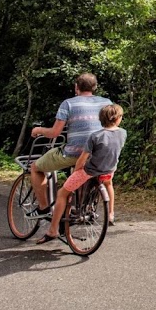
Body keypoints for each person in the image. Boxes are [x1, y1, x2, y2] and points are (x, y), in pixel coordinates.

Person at [37, 104, 126, 244]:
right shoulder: (123, 133)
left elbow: (82, 159)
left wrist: (77, 169)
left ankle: (53, 230)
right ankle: (110, 214)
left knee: (62, 193)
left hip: (90, 171)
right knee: (109, 184)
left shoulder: (95, 136)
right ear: (117, 119)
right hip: (109, 170)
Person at [29, 73, 112, 220]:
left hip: (75, 153)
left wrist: (39, 130)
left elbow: (55, 133)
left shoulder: (68, 103)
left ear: (76, 87)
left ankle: (43, 208)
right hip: (99, 153)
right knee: (81, 169)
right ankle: (80, 208)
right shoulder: (106, 102)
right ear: (95, 87)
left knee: (35, 167)